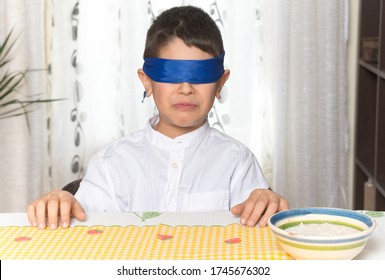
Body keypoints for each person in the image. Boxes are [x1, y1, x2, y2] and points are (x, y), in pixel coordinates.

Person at [27, 5, 288, 231]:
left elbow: (260, 226)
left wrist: (266, 204)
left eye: (200, 74)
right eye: (171, 73)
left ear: (220, 84)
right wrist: (62, 203)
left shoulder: (238, 164)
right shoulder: (111, 164)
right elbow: (83, 223)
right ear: (147, 82)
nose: (186, 88)